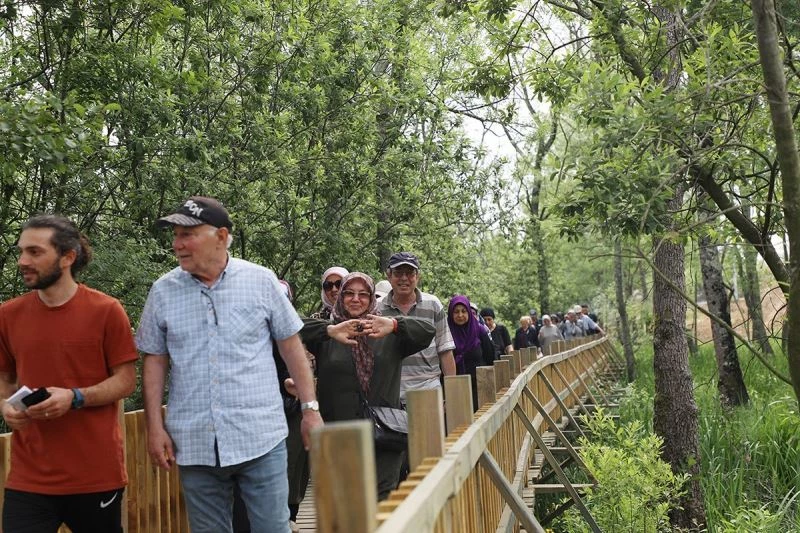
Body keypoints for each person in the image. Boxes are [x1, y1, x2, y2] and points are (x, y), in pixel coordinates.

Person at [136, 196, 322, 533]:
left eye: (187, 234)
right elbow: (154, 361)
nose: (177, 244)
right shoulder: (163, 291)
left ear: (221, 236)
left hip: (260, 437)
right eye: (175, 235)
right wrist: (154, 426)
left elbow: (292, 348)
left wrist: (310, 410)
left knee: (273, 529)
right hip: (193, 441)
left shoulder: (261, 281)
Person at [0, 215, 138, 533]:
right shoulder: (8, 315)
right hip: (28, 478)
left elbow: (125, 380)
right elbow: (4, 381)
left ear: (67, 257)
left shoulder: (106, 310)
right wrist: (6, 406)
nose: (22, 261)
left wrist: (75, 397)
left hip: (95, 477)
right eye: (21, 251)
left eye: (35, 252)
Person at [299, 273, 435, 499]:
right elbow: (291, 327)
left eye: (363, 294)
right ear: (340, 297)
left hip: (384, 434)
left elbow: (427, 331)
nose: (356, 299)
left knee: (382, 501)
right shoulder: (328, 334)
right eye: (349, 293)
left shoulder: (388, 333)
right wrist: (330, 331)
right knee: (343, 503)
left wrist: (394, 324)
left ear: (372, 298)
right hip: (339, 434)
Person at [377, 252, 456, 405]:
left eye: (410, 273)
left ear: (417, 276)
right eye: (398, 273)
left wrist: (451, 394)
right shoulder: (378, 309)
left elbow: (445, 350)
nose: (404, 278)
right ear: (389, 276)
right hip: (390, 396)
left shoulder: (433, 304)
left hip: (429, 391)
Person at [447, 296, 495, 411]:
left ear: (469, 312)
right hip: (455, 386)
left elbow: (490, 357)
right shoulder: (446, 333)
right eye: (456, 312)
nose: (460, 315)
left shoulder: (480, 330)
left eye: (463, 311)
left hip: (479, 386)